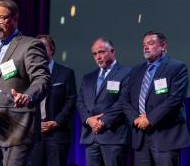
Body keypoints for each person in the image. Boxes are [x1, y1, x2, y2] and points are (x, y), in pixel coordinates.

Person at [0, 0, 50, 166]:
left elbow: (42, 79)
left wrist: (27, 96)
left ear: (15, 18)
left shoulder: (29, 45)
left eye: (1, 18)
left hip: (18, 127)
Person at [123, 31, 190, 166]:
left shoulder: (177, 68)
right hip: (140, 137)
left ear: (163, 46)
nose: (146, 47)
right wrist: (136, 119)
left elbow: (174, 100)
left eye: (151, 43)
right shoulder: (136, 71)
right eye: (144, 45)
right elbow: (125, 99)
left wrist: (149, 119)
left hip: (166, 136)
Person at [76, 38, 131, 166]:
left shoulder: (126, 73)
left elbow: (123, 101)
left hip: (113, 136)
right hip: (91, 136)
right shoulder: (88, 77)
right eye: (94, 54)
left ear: (112, 51)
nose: (98, 57)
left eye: (101, 52)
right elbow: (80, 101)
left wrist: (102, 122)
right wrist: (89, 120)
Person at [31, 34, 77, 166]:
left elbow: (71, 101)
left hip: (57, 134)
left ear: (51, 50)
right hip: (36, 135)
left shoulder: (66, 73)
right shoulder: (30, 75)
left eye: (42, 47)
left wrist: (56, 122)